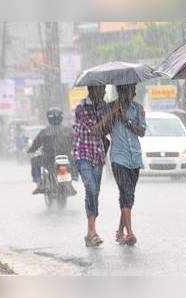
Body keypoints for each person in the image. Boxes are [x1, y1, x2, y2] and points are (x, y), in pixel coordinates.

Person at [95, 83, 146, 246]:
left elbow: (142, 131)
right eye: (131, 90)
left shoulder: (138, 109)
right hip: (119, 158)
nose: (134, 93)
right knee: (126, 193)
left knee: (128, 195)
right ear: (122, 91)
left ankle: (119, 231)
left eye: (134, 90)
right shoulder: (110, 107)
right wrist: (113, 115)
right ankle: (129, 232)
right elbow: (101, 130)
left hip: (135, 158)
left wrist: (126, 120)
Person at [72, 85, 110, 247]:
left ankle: (91, 233)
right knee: (91, 188)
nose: (103, 92)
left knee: (95, 193)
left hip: (98, 154)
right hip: (83, 153)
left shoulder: (104, 107)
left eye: (103, 89)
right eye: (100, 89)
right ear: (91, 89)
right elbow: (95, 129)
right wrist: (110, 115)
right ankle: (92, 231)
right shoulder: (81, 108)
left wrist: (110, 115)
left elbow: (107, 130)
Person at [28, 108, 75, 194]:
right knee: (75, 162)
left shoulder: (45, 131)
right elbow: (75, 142)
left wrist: (31, 150)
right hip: (66, 157)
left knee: (34, 160)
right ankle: (74, 178)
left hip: (48, 158)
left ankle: (38, 182)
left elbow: (36, 144)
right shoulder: (69, 130)